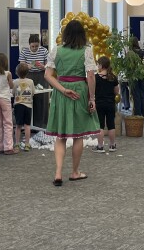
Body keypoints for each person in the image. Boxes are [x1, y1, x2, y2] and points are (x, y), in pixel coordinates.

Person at [45, 20, 100, 186]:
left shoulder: (57, 50)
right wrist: (92, 98)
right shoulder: (87, 51)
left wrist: (62, 90)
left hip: (61, 93)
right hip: (79, 91)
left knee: (60, 135)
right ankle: (75, 172)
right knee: (78, 135)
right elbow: (90, 76)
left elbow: (48, 75)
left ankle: (58, 172)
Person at [0, 53, 16, 155]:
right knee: (8, 123)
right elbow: (11, 86)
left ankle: (0, 146)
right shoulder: (8, 73)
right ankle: (8, 147)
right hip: (5, 99)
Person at [93, 56, 119, 153]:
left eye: (98, 64)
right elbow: (117, 91)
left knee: (100, 125)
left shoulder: (96, 77)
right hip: (110, 104)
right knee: (111, 125)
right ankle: (112, 145)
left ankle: (100, 146)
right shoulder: (113, 77)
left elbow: (92, 90)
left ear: (101, 65)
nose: (97, 66)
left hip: (99, 103)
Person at [13, 63, 35, 151]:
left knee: (18, 125)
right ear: (28, 72)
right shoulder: (31, 81)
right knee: (27, 125)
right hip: (28, 105)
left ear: (16, 72)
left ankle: (17, 143)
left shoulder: (15, 81)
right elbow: (33, 92)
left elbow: (13, 92)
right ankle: (27, 144)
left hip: (18, 105)